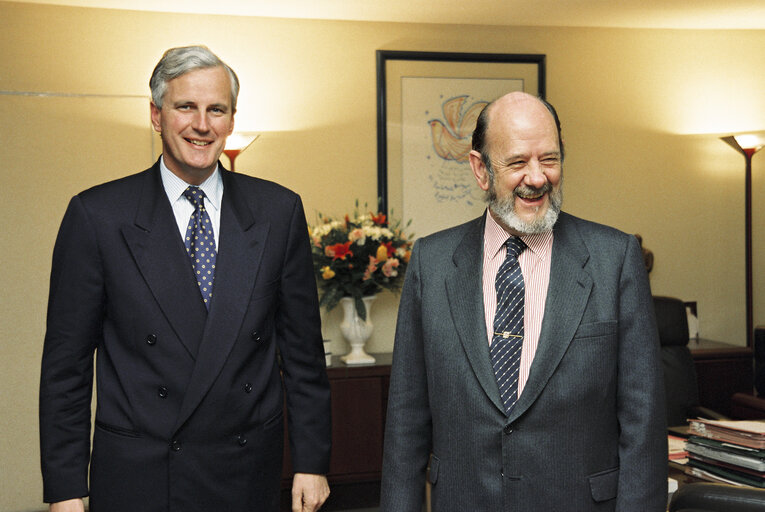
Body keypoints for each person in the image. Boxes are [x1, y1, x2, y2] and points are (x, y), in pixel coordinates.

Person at [39, 45, 331, 512]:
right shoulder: (97, 215)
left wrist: (312, 462)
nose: (202, 124)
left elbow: (303, 355)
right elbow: (65, 369)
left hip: (245, 469)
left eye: (216, 109)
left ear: (232, 121)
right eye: (185, 107)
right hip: (142, 473)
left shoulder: (278, 211)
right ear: (156, 115)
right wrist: (66, 489)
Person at [380, 92, 666, 511]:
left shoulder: (615, 259)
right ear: (481, 170)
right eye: (517, 163)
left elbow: (643, 424)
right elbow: (406, 424)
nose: (537, 178)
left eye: (549, 159)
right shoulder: (432, 263)